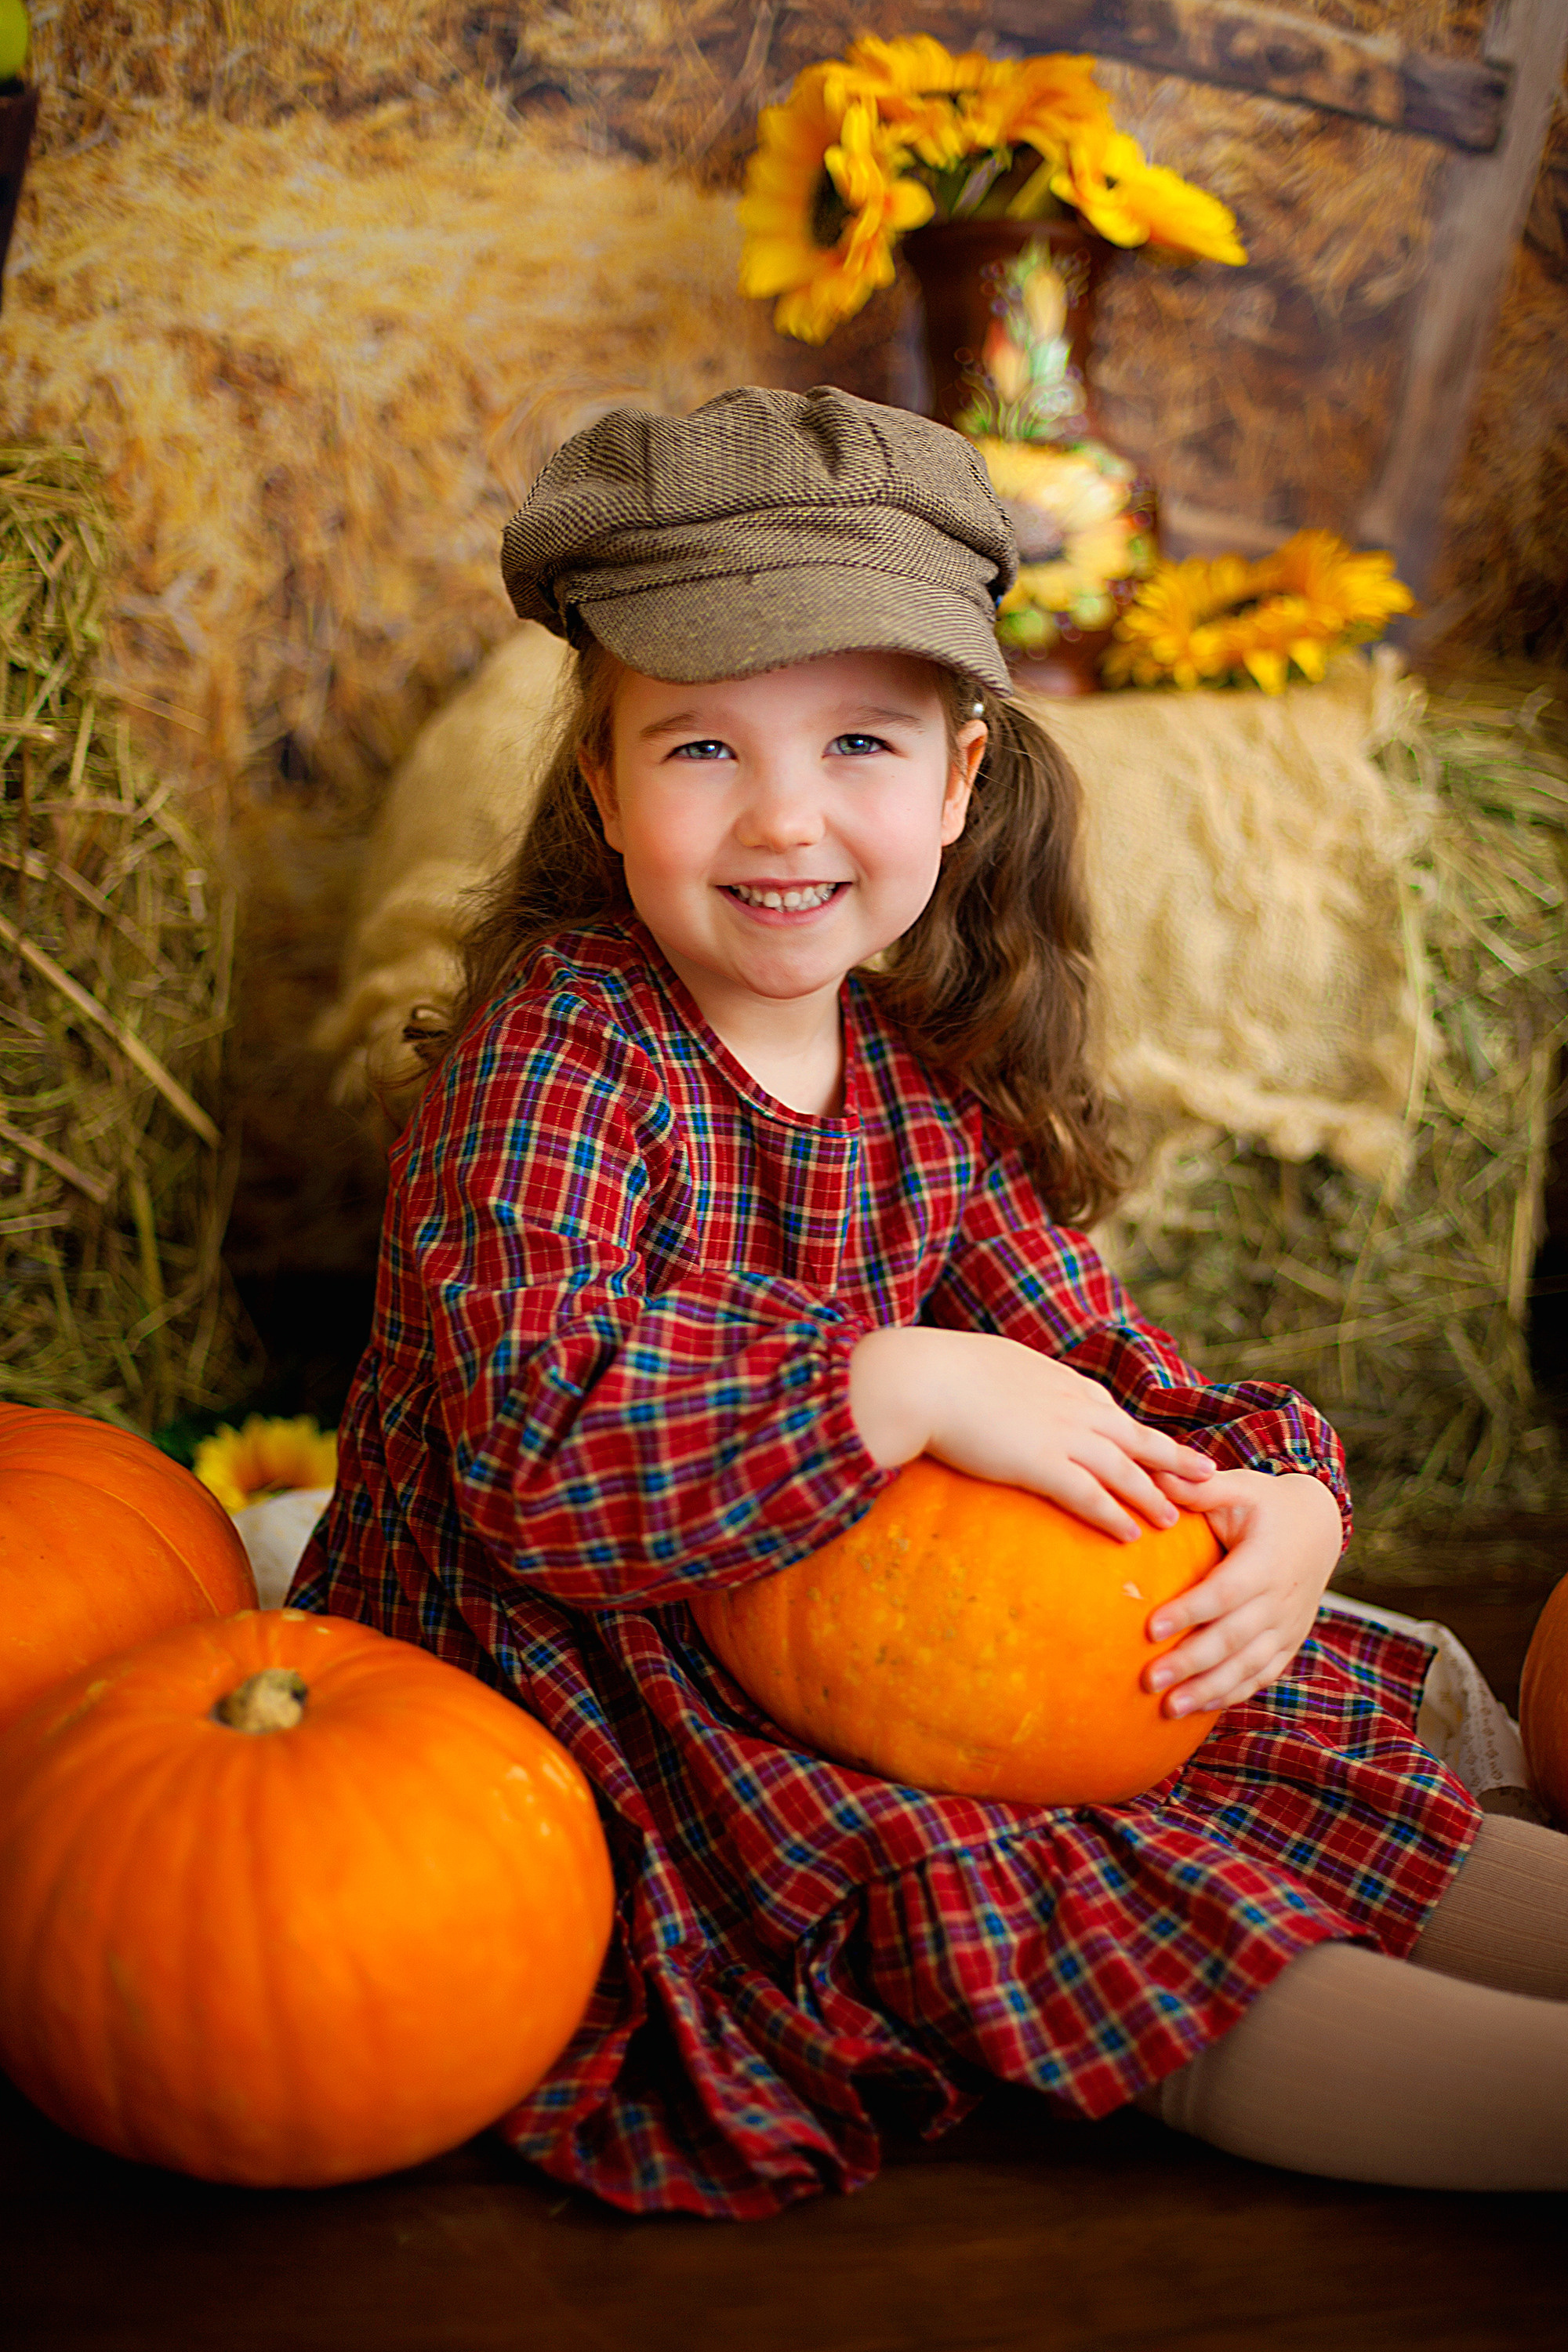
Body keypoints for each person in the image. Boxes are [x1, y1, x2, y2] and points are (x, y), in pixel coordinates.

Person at [291, 386, 1568, 2215]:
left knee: (1246, 1751)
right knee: (1011, 1869)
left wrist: (1283, 1494)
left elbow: (1107, 1368)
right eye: (701, 746)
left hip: (867, 1640)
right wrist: (878, 1385)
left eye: (861, 744)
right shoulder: (560, 1059)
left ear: (961, 781)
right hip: (604, 1695)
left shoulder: (910, 1089)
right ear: (602, 785)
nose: (784, 817)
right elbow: (534, 1462)